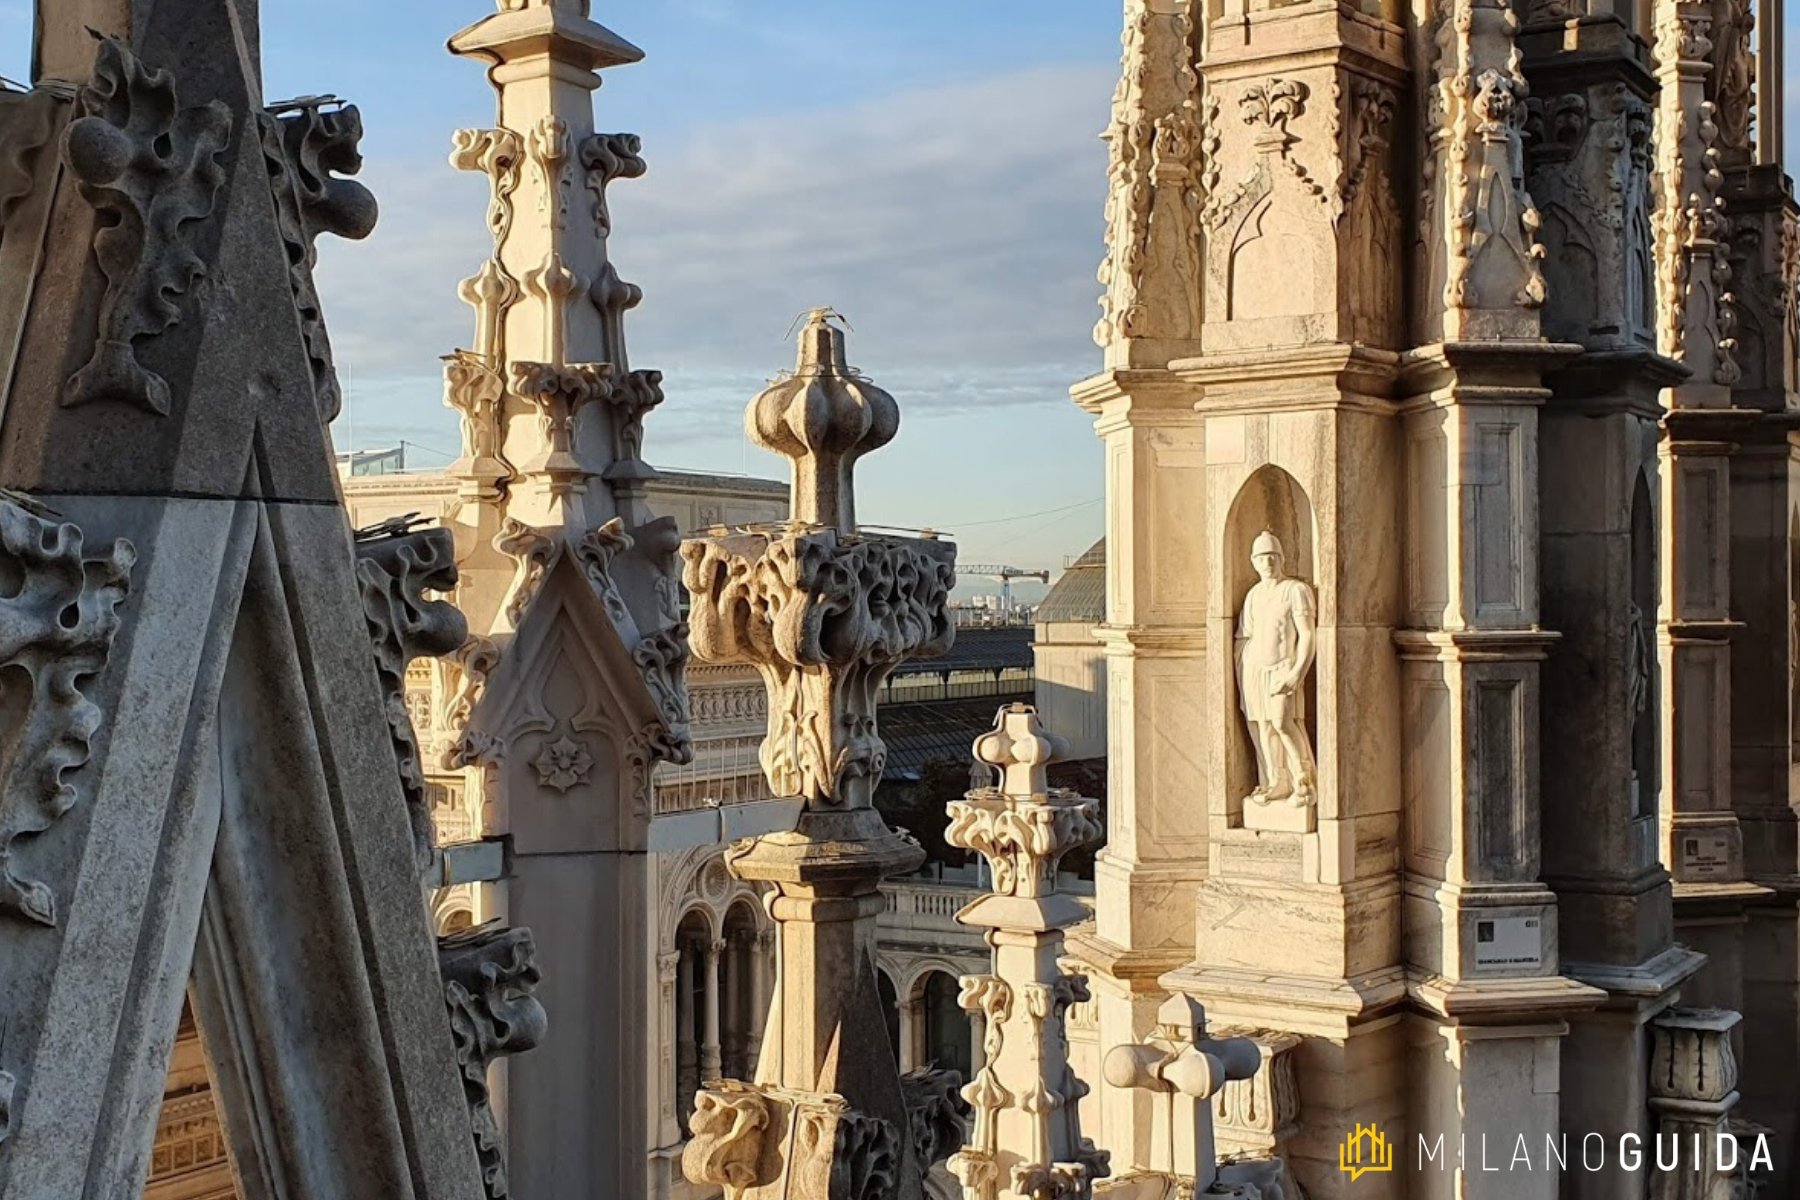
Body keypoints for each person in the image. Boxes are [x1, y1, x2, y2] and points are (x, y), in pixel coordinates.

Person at [1235, 530, 1318, 807]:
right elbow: (1245, 636)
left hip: (1284, 667)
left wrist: (1297, 673)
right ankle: (1276, 781)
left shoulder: (1295, 590)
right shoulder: (1253, 595)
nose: (1267, 562)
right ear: (1253, 562)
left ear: (1281, 558)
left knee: (1283, 722)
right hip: (1255, 670)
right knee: (1264, 726)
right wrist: (1245, 670)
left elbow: (1307, 634)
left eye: (1272, 556)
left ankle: (1304, 780)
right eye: (1261, 557)